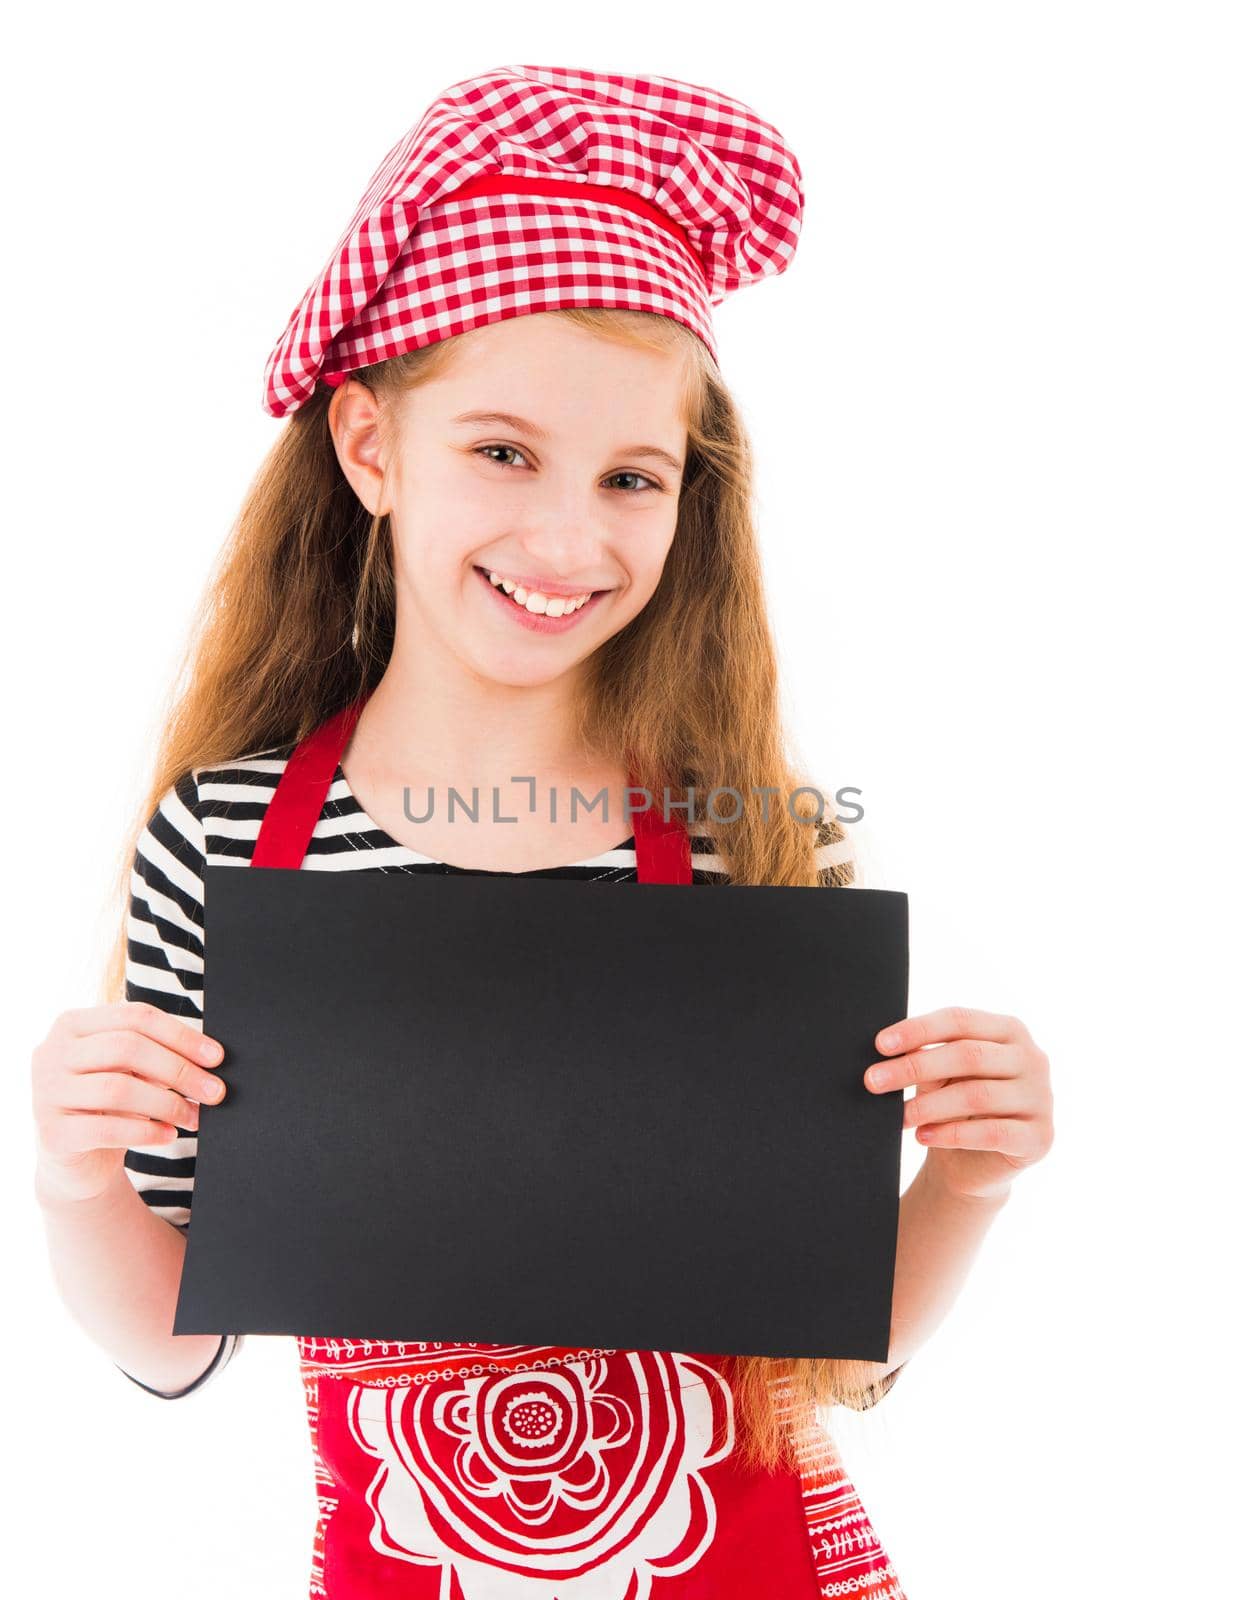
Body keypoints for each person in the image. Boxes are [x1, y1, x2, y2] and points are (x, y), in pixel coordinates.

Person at [31, 65, 1055, 1599]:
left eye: (630, 477)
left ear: (682, 504)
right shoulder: (234, 839)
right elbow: (179, 1341)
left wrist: (968, 1178)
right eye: (501, 451)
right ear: (372, 450)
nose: (567, 538)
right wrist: (73, 1178)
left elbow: (829, 1356)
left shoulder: (748, 844)